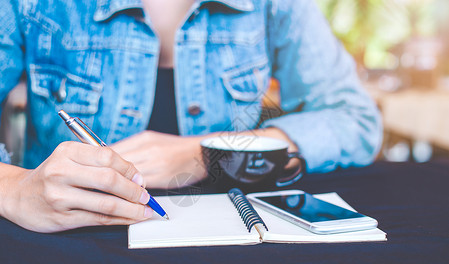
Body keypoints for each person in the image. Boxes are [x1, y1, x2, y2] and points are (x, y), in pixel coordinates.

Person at [0, 0, 382, 233]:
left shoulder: (275, 4)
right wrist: (15, 188)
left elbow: (355, 120)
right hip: (67, 252)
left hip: (238, 256)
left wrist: (213, 151)